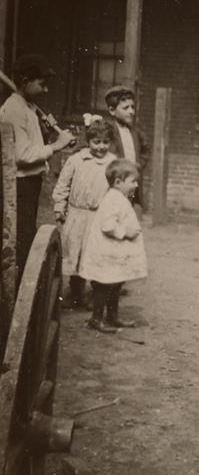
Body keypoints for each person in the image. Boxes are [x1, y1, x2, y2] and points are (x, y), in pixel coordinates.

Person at [0, 53, 74, 282]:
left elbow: (31, 144)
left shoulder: (29, 108)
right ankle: (17, 290)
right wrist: (57, 145)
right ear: (25, 81)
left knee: (26, 235)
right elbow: (22, 155)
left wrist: (47, 133)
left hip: (30, 184)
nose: (46, 89)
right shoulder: (14, 110)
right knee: (21, 240)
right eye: (42, 84)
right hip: (19, 185)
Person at [52, 116, 116, 310]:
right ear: (88, 141)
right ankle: (75, 293)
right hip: (77, 215)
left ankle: (95, 297)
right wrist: (59, 207)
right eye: (96, 142)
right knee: (75, 254)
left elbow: (117, 191)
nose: (101, 147)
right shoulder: (76, 160)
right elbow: (63, 185)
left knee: (94, 256)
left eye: (105, 142)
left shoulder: (113, 163)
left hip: (98, 217)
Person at [79, 158, 147, 333]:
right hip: (106, 251)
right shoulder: (112, 200)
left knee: (116, 282)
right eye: (133, 181)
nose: (136, 185)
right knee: (103, 284)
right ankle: (96, 318)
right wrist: (125, 232)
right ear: (118, 182)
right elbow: (108, 226)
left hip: (114, 251)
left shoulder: (119, 197)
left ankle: (112, 316)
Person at [104, 85, 150, 216]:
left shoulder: (134, 131)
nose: (131, 112)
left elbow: (146, 149)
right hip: (114, 185)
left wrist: (138, 166)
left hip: (130, 186)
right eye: (125, 108)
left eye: (132, 107)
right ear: (112, 110)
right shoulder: (108, 131)